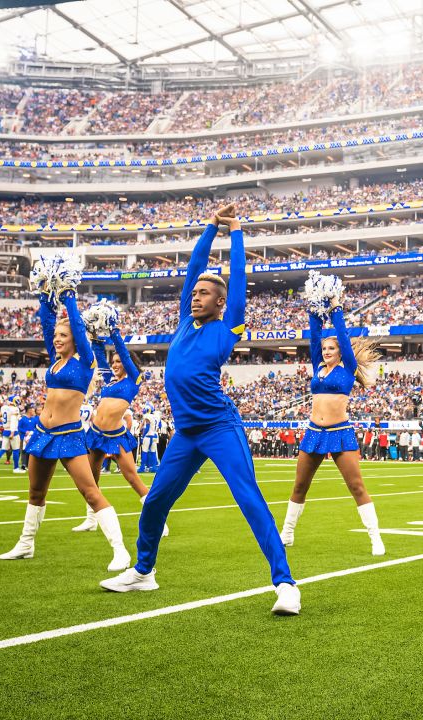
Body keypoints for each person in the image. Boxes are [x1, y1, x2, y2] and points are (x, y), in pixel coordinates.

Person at [99, 208, 300, 615]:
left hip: (219, 427)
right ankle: (143, 572)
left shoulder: (229, 328)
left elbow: (240, 279)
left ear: (221, 303)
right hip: (186, 434)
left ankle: (285, 584)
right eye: (194, 292)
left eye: (204, 293)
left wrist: (237, 231)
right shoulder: (182, 323)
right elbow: (193, 268)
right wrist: (211, 226)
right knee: (155, 501)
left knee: (249, 499)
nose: (196, 295)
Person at [0, 288, 131, 573]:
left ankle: (120, 550)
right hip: (43, 433)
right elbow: (46, 323)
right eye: (56, 336)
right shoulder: (55, 359)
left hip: (69, 435)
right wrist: (46, 295)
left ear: (76, 339)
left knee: (90, 492)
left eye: (63, 336)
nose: (57, 339)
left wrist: (69, 295)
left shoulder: (85, 361)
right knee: (35, 492)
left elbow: (79, 329)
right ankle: (26, 543)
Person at [279, 294, 384, 556]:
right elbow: (314, 338)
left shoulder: (347, 368)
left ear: (340, 352)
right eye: (324, 349)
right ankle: (288, 532)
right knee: (300, 485)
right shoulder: (318, 367)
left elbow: (343, 337)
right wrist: (314, 310)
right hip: (314, 432)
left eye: (331, 349)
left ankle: (375, 537)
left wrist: (335, 308)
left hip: (340, 432)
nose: (326, 352)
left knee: (356, 486)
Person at [73, 323, 165, 537]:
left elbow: (123, 351)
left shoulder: (134, 379)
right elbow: (99, 358)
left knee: (133, 479)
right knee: (91, 479)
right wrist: (96, 339)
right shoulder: (109, 380)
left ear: (127, 363)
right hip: (96, 434)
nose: (115, 364)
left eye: (118, 361)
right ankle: (90, 519)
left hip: (117, 436)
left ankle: (158, 521)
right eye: (113, 361)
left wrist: (113, 332)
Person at [0, 395, 22, 474]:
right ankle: (16, 468)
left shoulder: (4, 407)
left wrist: (1, 421)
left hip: (5, 430)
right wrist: (12, 432)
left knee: (3, 449)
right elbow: (14, 421)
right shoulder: (15, 409)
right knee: (16, 450)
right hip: (12, 431)